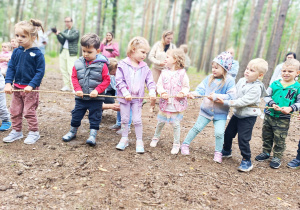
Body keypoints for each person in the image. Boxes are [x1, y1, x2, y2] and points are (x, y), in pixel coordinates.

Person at [180, 52, 236, 163]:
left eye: (217, 68)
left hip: (220, 113)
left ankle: (218, 152)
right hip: (206, 110)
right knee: (197, 128)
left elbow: (231, 96)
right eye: (213, 67)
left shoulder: (230, 81)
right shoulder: (209, 78)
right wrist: (194, 94)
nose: (213, 70)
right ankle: (185, 144)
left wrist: (216, 96)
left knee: (219, 133)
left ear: (225, 69)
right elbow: (201, 90)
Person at [217, 58, 268, 172]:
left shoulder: (256, 88)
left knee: (243, 139)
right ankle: (226, 150)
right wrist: (224, 97)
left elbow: (242, 102)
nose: (247, 71)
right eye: (247, 69)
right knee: (228, 133)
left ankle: (246, 160)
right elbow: (235, 95)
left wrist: (226, 103)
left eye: (252, 70)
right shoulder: (241, 81)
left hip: (248, 117)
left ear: (260, 75)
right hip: (237, 114)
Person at [62, 33, 110, 146]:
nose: (86, 54)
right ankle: (72, 131)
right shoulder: (78, 63)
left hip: (96, 99)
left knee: (95, 117)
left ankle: (92, 135)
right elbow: (74, 77)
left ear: (97, 51)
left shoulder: (102, 65)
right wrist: (77, 89)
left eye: (89, 52)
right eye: (83, 51)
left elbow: (106, 80)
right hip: (81, 97)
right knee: (76, 115)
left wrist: (97, 90)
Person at [3, 19, 45, 144]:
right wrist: (8, 83)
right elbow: (10, 68)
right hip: (16, 87)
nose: (19, 39)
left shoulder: (38, 54)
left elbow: (40, 72)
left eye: (23, 36)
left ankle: (34, 132)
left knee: (28, 111)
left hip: (30, 90)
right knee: (14, 110)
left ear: (32, 37)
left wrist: (32, 85)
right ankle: (16, 131)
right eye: (17, 35)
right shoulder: (16, 51)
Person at [255, 59, 300, 169]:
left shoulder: (297, 87)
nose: (286, 73)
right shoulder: (275, 84)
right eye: (284, 70)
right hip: (269, 115)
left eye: (290, 71)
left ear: (297, 73)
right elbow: (266, 96)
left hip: (283, 118)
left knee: (280, 137)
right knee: (267, 134)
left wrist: (290, 108)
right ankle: (266, 152)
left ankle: (277, 156)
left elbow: (299, 102)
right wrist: (272, 103)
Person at [115, 36, 156, 153]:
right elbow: (119, 80)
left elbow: (150, 81)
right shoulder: (122, 64)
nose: (144, 55)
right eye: (142, 52)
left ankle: (139, 140)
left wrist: (152, 91)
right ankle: (124, 138)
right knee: (124, 119)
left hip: (137, 99)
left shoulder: (144, 67)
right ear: (133, 49)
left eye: (146, 53)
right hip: (125, 98)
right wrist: (125, 92)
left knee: (137, 120)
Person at [150, 49, 190, 154]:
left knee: (176, 125)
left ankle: (176, 144)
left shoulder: (182, 73)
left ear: (175, 59)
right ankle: (155, 137)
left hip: (176, 105)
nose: (165, 59)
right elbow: (159, 85)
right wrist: (162, 92)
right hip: (165, 104)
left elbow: (186, 87)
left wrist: (183, 92)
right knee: (160, 122)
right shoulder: (164, 73)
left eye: (168, 57)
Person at [148, 31, 176, 111]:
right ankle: (152, 105)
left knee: (165, 88)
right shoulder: (157, 45)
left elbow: (174, 58)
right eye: (168, 38)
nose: (169, 40)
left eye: (171, 38)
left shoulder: (173, 47)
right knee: (154, 87)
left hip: (167, 71)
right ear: (164, 37)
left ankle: (164, 106)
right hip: (156, 69)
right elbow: (150, 56)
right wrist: (159, 62)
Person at [107, 58, 132, 135]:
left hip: (127, 95)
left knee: (127, 110)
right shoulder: (115, 75)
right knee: (119, 108)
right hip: (120, 95)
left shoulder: (124, 73)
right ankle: (119, 123)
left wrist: (126, 93)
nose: (111, 74)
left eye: (112, 72)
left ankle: (126, 127)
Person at [55, 17, 80, 91]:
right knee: (63, 69)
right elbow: (63, 41)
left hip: (71, 52)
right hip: (63, 51)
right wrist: (57, 35)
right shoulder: (65, 31)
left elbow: (70, 38)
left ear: (72, 22)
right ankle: (67, 85)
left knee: (71, 69)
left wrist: (61, 32)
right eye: (65, 21)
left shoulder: (75, 31)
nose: (66, 23)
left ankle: (74, 87)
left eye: (68, 21)